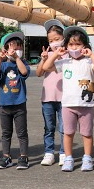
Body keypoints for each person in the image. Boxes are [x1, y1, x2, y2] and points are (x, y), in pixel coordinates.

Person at [43, 26, 94, 172]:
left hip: (86, 105)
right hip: (68, 105)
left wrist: (92, 55)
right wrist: (56, 54)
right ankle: (68, 158)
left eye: (78, 44)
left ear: (85, 46)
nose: (74, 47)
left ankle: (87, 158)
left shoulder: (89, 62)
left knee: (87, 133)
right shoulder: (64, 62)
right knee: (68, 133)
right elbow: (46, 67)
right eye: (71, 44)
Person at [0, 31, 30, 170]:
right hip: (4, 105)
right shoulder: (2, 64)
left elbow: (24, 73)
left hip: (19, 104)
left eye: (18, 47)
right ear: (5, 49)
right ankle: (6, 156)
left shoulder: (22, 63)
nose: (15, 50)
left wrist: (17, 58)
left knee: (21, 132)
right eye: (12, 47)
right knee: (6, 133)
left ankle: (23, 156)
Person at [35, 19, 66, 166]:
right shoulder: (47, 55)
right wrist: (43, 59)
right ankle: (49, 153)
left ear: (64, 38)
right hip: (47, 97)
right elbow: (40, 72)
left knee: (64, 127)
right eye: (51, 40)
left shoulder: (68, 55)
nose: (54, 42)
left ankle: (64, 152)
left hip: (65, 97)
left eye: (57, 39)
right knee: (49, 127)